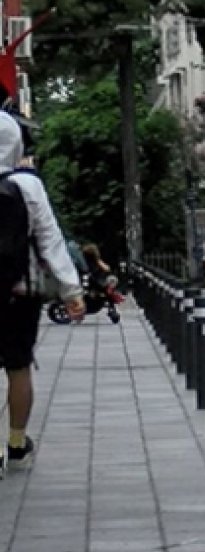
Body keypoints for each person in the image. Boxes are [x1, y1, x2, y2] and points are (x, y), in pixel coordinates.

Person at [0, 110, 84, 476]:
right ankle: (16, 443)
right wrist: (71, 291)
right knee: (18, 367)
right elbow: (49, 238)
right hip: (20, 291)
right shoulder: (28, 185)